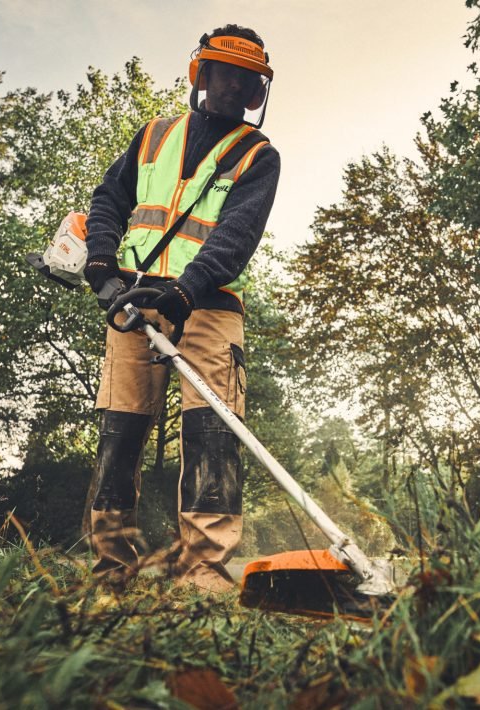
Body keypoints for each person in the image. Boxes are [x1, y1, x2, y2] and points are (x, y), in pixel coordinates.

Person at [81, 24, 280, 593]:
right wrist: (101, 258)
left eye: (244, 78)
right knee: (120, 431)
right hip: (132, 302)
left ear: (254, 92)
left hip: (209, 306)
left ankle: (203, 569)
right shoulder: (153, 136)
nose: (231, 84)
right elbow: (109, 199)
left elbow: (236, 236)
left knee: (211, 434)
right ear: (203, 74)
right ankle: (111, 568)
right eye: (223, 72)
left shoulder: (258, 156)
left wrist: (188, 288)